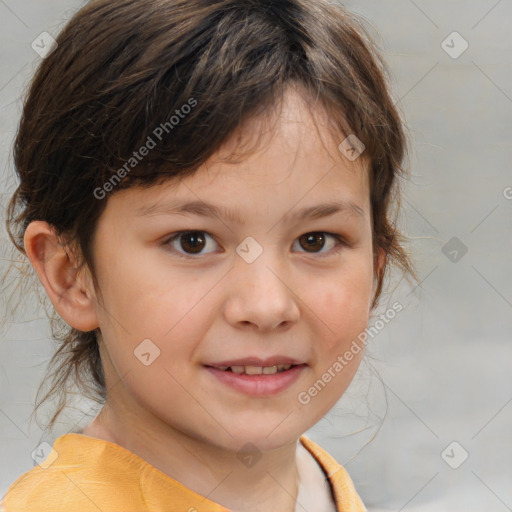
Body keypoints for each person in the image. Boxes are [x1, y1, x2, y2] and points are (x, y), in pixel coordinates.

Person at [1, 0, 417, 510]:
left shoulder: (319, 482)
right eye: (192, 241)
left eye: (316, 240)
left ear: (375, 268)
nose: (267, 307)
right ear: (72, 276)